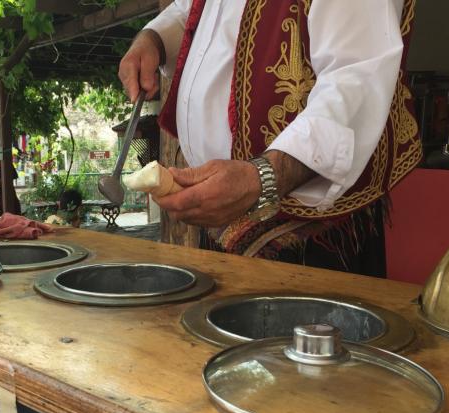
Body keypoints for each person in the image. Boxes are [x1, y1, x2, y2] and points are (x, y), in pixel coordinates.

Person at [118, 0, 421, 277]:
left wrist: (260, 178)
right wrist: (153, 38)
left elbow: (358, 77)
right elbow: (193, 10)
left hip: (309, 236)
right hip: (219, 223)